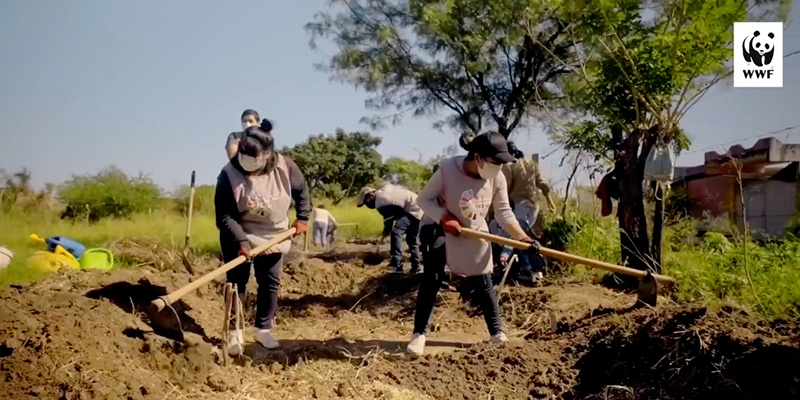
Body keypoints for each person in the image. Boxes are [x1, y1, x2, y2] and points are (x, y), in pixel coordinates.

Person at [408, 131, 540, 356]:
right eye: (495, 162)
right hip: (439, 226)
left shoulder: (496, 177)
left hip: (475, 228)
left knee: (484, 277)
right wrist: (445, 217)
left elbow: (504, 213)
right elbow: (423, 199)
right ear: (478, 157)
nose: (498, 168)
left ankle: (497, 333)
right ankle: (419, 334)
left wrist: (523, 238)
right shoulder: (448, 170)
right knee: (433, 277)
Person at [215, 126, 310, 354]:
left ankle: (263, 330)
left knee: (270, 281)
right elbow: (224, 216)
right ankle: (234, 333)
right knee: (236, 283)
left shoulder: (285, 167)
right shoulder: (228, 175)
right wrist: (241, 242)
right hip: (239, 232)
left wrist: (303, 217)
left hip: (274, 233)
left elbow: (301, 191)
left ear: (266, 155)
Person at [357, 183, 423, 274]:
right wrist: (386, 230)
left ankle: (396, 264)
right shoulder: (383, 194)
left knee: (396, 232)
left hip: (413, 209)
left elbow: (389, 220)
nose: (367, 204)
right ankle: (416, 267)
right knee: (411, 239)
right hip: (420, 209)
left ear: (371, 195)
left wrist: (386, 231)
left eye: (366, 201)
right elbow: (392, 216)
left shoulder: (380, 200)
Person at [502, 142, 556, 229]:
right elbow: (542, 185)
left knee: (513, 234)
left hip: (518, 206)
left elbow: (506, 187)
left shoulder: (510, 165)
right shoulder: (532, 165)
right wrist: (550, 202)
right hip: (534, 207)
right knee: (524, 233)